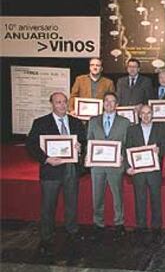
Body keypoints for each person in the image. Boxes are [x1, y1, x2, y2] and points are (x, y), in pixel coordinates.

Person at [26, 92, 86, 256]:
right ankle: (46, 237)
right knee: (48, 205)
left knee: (71, 203)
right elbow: (31, 145)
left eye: (64, 102)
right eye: (58, 102)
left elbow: (84, 141)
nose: (62, 105)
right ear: (51, 104)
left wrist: (80, 148)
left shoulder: (76, 122)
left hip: (70, 169)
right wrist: (46, 159)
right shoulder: (41, 122)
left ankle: (72, 232)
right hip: (51, 170)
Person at [87, 92, 130, 241]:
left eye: (112, 102)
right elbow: (89, 142)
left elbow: (127, 144)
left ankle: (119, 223)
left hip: (115, 165)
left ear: (117, 105)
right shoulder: (93, 121)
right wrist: (87, 157)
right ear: (103, 103)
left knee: (117, 195)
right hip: (97, 166)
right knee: (97, 195)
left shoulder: (125, 122)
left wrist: (122, 156)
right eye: (106, 101)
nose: (109, 104)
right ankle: (98, 223)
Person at [126, 105, 165, 238]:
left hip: (154, 171)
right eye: (143, 113)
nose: (145, 116)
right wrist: (128, 167)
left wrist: (159, 150)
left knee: (156, 199)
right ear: (139, 115)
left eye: (148, 113)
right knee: (140, 199)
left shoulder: (160, 129)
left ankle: (157, 226)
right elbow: (126, 149)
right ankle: (141, 225)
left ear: (152, 114)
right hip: (138, 172)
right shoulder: (132, 130)